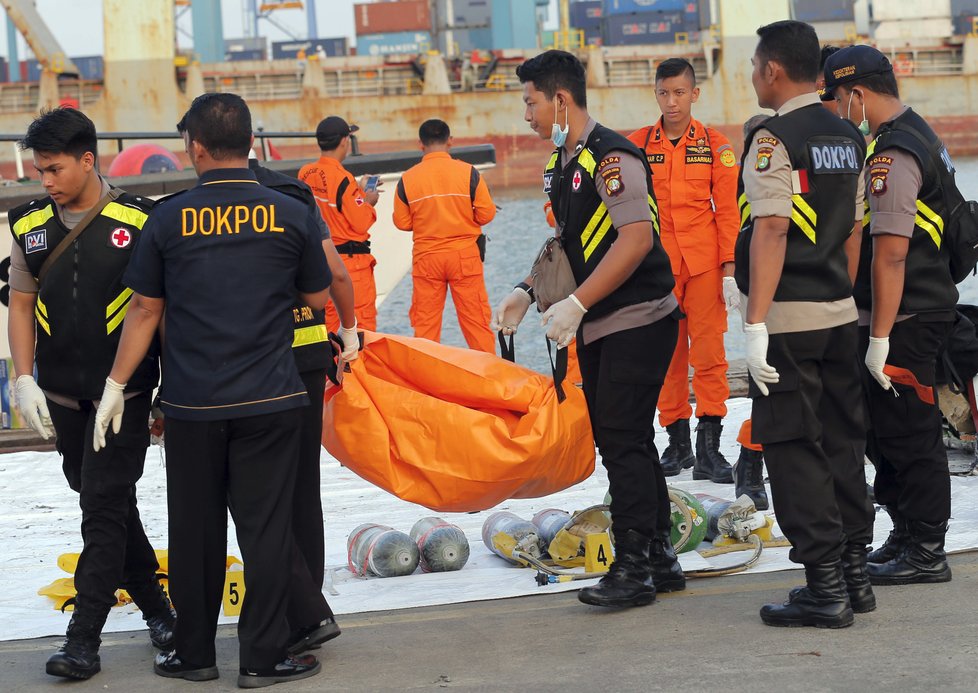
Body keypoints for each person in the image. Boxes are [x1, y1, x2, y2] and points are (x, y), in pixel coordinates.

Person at [93, 93, 331, 687]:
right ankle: (262, 657)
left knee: (194, 531)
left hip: (193, 404)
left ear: (194, 148)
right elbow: (318, 298)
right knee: (267, 531)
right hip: (270, 398)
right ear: (250, 142)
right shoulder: (290, 211)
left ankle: (193, 655)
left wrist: (116, 385)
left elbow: (145, 309)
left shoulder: (168, 217)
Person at [493, 50, 681, 608]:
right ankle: (658, 556)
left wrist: (575, 303)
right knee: (627, 440)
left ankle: (632, 569)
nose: (525, 115)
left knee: (622, 441)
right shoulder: (562, 164)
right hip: (601, 320)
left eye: (529, 102)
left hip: (639, 317)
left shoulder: (611, 158)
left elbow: (635, 239)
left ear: (559, 99)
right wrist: (528, 291)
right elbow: (572, 243)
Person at [7, 107, 174, 680]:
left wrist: (159, 394)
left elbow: (159, 311)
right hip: (62, 397)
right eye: (37, 170)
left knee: (100, 511)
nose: (44, 180)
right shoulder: (27, 223)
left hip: (121, 397)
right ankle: (161, 614)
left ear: (87, 159)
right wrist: (23, 377)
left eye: (53, 169)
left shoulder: (142, 220)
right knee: (111, 506)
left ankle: (83, 642)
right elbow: (22, 303)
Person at [737, 20, 874, 628]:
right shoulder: (848, 132)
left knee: (794, 449)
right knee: (844, 442)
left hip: (789, 321)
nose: (752, 78)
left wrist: (755, 322)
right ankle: (855, 574)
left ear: (771, 70)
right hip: (840, 314)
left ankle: (825, 587)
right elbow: (854, 233)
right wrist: (840, 293)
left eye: (753, 67)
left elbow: (771, 228)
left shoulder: (773, 137)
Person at [824, 45, 958, 585]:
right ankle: (906, 530)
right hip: (907, 312)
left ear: (856, 94)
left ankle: (927, 547)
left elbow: (892, 251)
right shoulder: (911, 132)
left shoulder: (893, 153)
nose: (836, 109)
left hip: (906, 319)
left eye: (836, 98)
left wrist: (878, 336)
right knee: (883, 432)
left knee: (909, 433)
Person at [247, 151, 360, 653]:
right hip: (307, 355)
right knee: (301, 487)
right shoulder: (294, 195)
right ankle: (308, 605)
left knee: (257, 491)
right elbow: (334, 273)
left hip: (250, 362)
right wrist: (350, 329)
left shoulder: (207, 199)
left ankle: (291, 607)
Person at [626, 58, 739, 485]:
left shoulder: (715, 145)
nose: (671, 102)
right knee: (666, 357)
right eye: (663, 93)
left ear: (694, 94)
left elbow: (728, 211)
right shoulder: (636, 145)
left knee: (710, 356)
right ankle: (677, 442)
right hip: (656, 269)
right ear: (655, 94)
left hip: (706, 265)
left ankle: (711, 447)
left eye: (679, 92)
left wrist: (730, 269)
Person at [392, 119, 496, 352]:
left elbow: (402, 222)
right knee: (477, 324)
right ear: (450, 141)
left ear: (421, 144)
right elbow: (486, 214)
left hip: (427, 259)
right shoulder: (469, 173)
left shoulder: (408, 179)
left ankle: (428, 381)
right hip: (464, 258)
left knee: (425, 328)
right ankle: (488, 379)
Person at [299, 116, 380, 332]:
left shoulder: (305, 173)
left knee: (328, 329)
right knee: (361, 331)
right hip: (351, 267)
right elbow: (361, 221)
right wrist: (368, 200)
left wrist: (358, 191)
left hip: (319, 263)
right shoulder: (343, 178)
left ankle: (333, 367)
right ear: (345, 141)